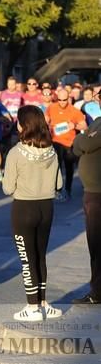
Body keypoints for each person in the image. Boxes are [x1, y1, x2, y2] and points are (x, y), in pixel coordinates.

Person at [2, 105, 63, 321]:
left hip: (24, 208)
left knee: (27, 259)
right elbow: (59, 183)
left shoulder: (16, 152)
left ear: (23, 124)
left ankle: (32, 307)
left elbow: (8, 188)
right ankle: (43, 303)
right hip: (46, 207)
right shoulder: (52, 150)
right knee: (40, 256)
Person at [72, 108, 101, 304]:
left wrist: (83, 134)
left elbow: (88, 144)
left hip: (98, 193)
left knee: (98, 244)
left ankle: (97, 292)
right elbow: (76, 148)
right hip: (91, 192)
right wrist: (84, 138)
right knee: (95, 245)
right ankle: (97, 290)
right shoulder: (98, 121)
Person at [45, 88, 87, 201]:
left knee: (69, 168)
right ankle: (57, 190)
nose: (62, 102)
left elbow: (84, 126)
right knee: (56, 167)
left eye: (64, 100)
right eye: (60, 100)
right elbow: (46, 120)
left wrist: (75, 126)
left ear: (68, 98)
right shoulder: (51, 107)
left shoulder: (74, 110)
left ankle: (68, 190)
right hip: (55, 142)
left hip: (69, 143)